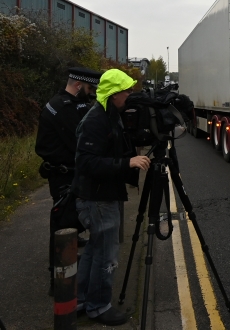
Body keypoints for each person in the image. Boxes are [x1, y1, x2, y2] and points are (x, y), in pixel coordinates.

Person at [74, 69, 150, 326]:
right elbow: (86, 163)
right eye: (127, 91)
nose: (130, 95)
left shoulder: (110, 115)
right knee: (106, 254)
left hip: (103, 194)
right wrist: (127, 163)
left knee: (95, 248)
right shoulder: (96, 120)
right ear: (114, 94)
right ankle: (98, 306)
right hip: (97, 198)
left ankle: (81, 299)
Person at [34, 66, 101, 294]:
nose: (91, 94)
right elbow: (80, 141)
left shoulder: (63, 101)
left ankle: (71, 248)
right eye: (89, 89)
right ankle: (59, 282)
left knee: (68, 220)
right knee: (63, 222)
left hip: (62, 171)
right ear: (78, 85)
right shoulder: (65, 108)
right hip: (63, 174)